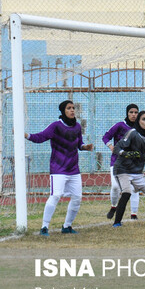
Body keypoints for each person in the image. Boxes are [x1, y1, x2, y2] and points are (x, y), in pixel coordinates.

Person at [24, 100, 94, 236]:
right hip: (58, 169)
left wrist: (85, 147)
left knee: (77, 197)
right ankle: (44, 227)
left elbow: (79, 144)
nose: (72, 110)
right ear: (63, 111)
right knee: (56, 195)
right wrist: (26, 135)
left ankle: (67, 226)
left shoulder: (77, 127)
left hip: (74, 169)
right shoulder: (56, 126)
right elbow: (41, 137)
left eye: (73, 108)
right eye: (69, 108)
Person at [102, 104, 145, 221]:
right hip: (117, 163)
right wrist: (111, 146)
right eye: (131, 112)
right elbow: (106, 137)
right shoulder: (119, 126)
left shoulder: (140, 130)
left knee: (134, 188)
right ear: (127, 113)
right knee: (116, 187)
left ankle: (133, 214)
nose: (133, 114)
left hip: (133, 165)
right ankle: (113, 206)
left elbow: (143, 146)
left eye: (136, 112)